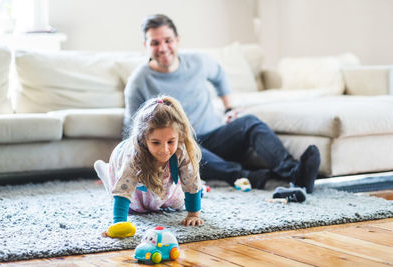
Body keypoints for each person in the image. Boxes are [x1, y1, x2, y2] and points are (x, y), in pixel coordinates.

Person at [123, 14, 320, 195]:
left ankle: (295, 173)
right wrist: (125, 168)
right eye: (155, 43)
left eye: (168, 41)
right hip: (179, 147)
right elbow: (133, 130)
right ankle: (248, 176)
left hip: (215, 136)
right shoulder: (138, 81)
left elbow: (219, 77)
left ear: (177, 40)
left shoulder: (198, 62)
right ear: (145, 45)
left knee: (249, 122)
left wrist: (229, 108)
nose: (163, 48)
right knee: (183, 148)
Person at [95, 95, 204, 238]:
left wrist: (193, 214)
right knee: (133, 207)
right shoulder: (133, 156)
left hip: (161, 183)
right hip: (132, 183)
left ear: (179, 136)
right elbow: (123, 192)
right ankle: (105, 170)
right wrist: (118, 225)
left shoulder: (181, 150)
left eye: (171, 141)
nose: (165, 149)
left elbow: (191, 183)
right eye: (156, 142)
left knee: (177, 203)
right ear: (143, 139)